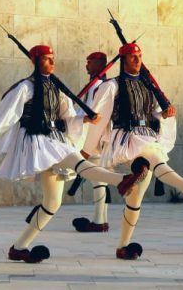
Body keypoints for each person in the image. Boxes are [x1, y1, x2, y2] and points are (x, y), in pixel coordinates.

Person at [0, 44, 150, 263]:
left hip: (55, 138)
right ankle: (122, 180)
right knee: (76, 161)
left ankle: (18, 247)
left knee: (52, 203)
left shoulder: (56, 87)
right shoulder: (25, 87)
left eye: (53, 58)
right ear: (35, 62)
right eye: (47, 59)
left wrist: (84, 120)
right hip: (38, 142)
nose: (52, 63)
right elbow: (6, 113)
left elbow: (68, 117)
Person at [80, 42, 183, 260]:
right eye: (133, 57)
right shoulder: (111, 86)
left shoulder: (148, 86)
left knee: (135, 201)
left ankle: (123, 246)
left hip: (146, 136)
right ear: (123, 61)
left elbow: (157, 113)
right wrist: (86, 149)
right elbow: (99, 118)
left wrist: (167, 114)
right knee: (153, 154)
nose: (138, 60)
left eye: (140, 56)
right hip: (126, 139)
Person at [72, 52, 112, 232]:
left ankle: (99, 221)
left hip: (96, 138)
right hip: (92, 138)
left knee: (99, 179)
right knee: (99, 179)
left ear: (99, 64)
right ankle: (101, 220)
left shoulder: (101, 87)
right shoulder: (93, 86)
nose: (86, 66)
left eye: (89, 63)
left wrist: (87, 145)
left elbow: (97, 116)